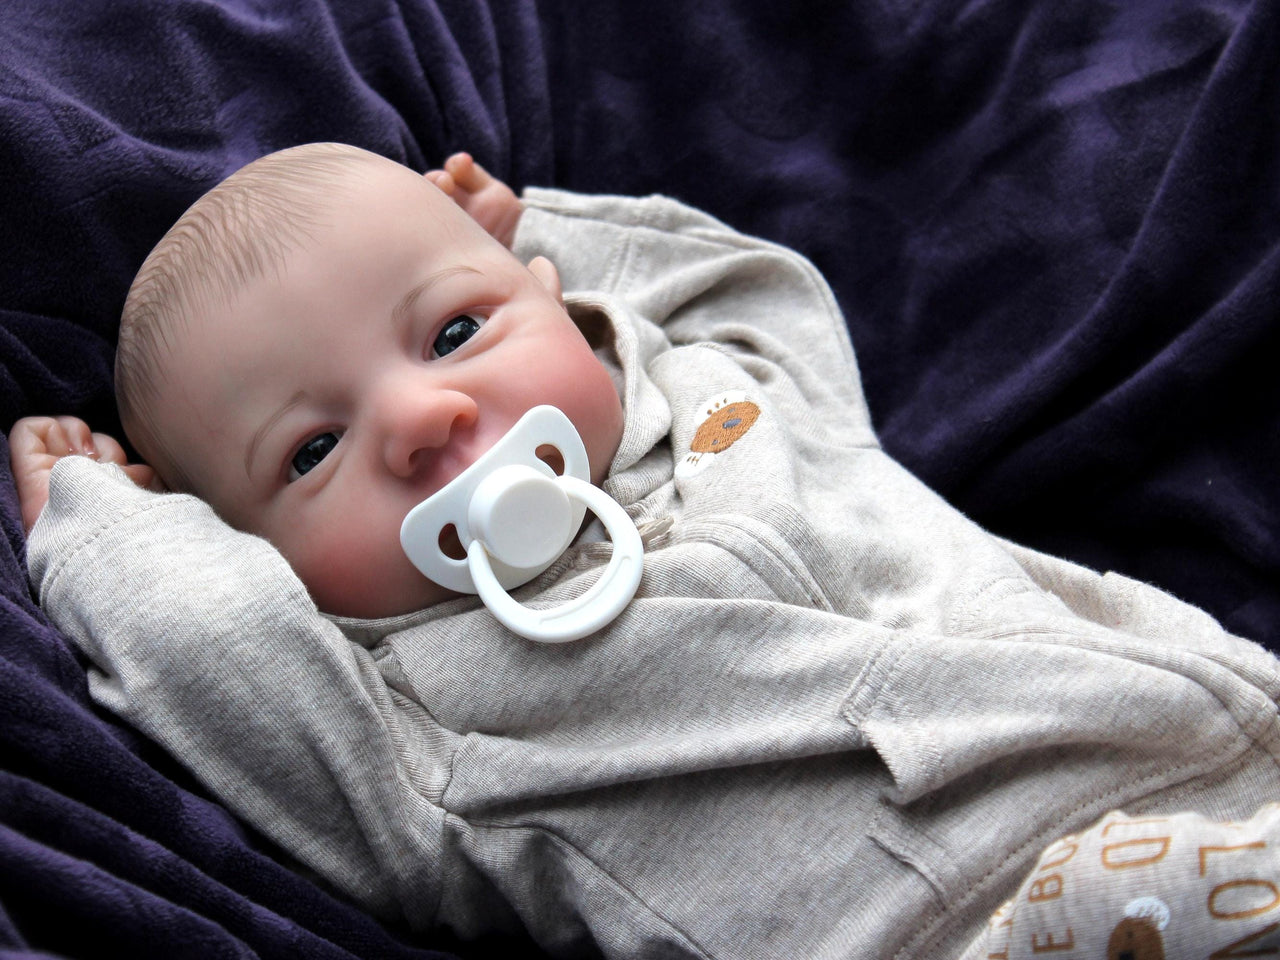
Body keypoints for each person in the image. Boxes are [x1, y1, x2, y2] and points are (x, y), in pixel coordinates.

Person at [9, 143, 1280, 960]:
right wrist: (107, 528)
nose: (420, 419)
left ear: (545, 293)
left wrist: (536, 231)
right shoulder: (407, 727)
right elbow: (218, 655)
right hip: (957, 930)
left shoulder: (722, 389)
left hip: (1208, 749)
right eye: (308, 452)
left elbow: (745, 284)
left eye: (454, 329)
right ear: (248, 548)